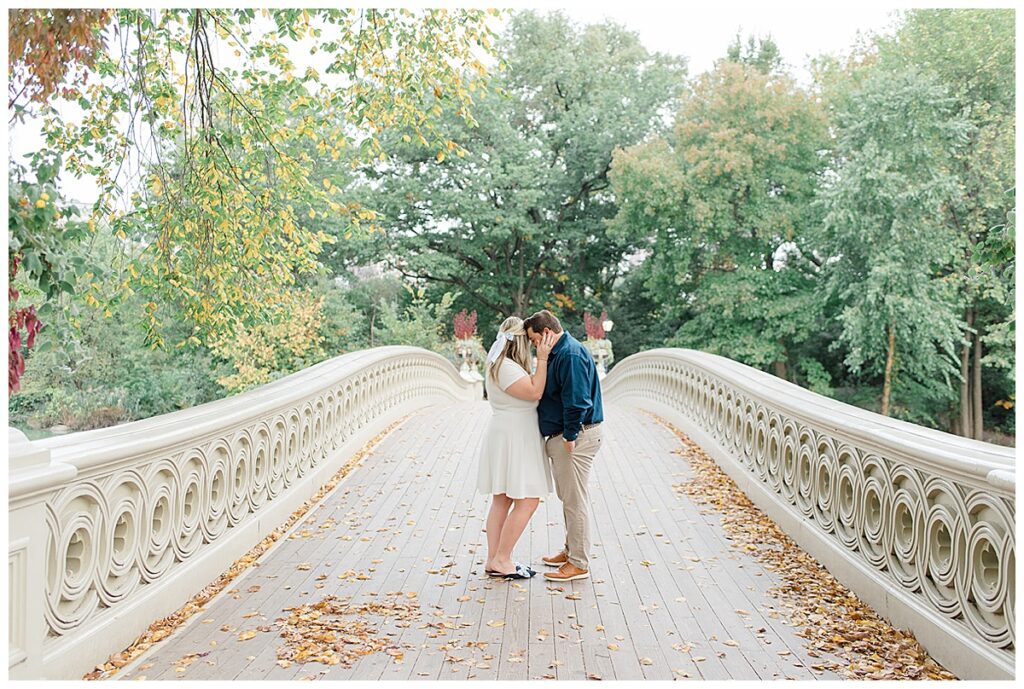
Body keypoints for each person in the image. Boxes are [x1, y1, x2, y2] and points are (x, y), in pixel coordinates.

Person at [523, 309, 604, 582]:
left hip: (576, 436)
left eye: (534, 340)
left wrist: (570, 436)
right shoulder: (561, 353)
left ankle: (579, 563)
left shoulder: (569, 354)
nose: (534, 347)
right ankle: (571, 551)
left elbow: (578, 400)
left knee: (574, 500)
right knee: (569, 498)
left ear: (546, 333)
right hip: (569, 435)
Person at [477, 316, 557, 580]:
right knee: (529, 499)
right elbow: (535, 391)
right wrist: (543, 360)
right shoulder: (507, 367)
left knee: (502, 499)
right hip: (515, 437)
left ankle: (494, 559)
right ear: (520, 342)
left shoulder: (498, 364)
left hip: (509, 435)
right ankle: (502, 558)